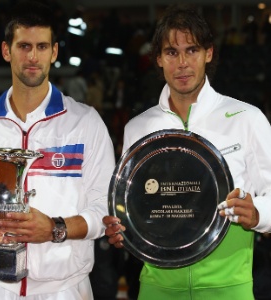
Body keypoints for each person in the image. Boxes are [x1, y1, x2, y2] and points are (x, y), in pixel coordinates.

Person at [103, 4, 271, 300]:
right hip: (157, 289)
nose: (182, 63)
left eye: (191, 50)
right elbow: (132, 205)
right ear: (158, 59)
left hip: (229, 288)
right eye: (171, 52)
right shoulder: (137, 128)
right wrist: (120, 228)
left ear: (208, 53)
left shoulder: (247, 118)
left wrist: (257, 214)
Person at [0, 1, 115, 299]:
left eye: (41, 46)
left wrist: (54, 228)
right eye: (24, 46)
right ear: (6, 51)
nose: (33, 56)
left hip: (65, 289)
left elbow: (106, 208)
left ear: (54, 52)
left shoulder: (85, 122)